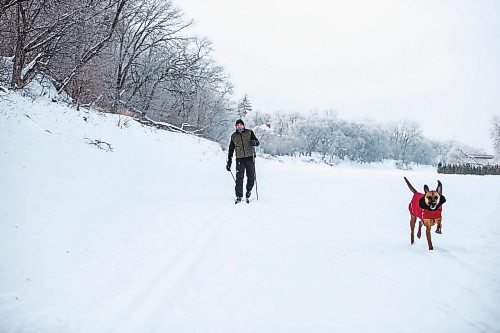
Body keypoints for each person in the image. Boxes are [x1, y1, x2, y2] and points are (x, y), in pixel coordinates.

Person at [226, 119, 260, 203]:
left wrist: (254, 143)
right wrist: (229, 162)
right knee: (239, 178)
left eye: (240, 124)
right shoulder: (233, 136)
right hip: (239, 159)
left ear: (243, 125)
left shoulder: (249, 132)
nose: (239, 126)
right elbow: (230, 150)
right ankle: (239, 196)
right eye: (237, 125)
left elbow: (257, 142)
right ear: (235, 126)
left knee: (251, 177)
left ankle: (248, 192)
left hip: (249, 158)